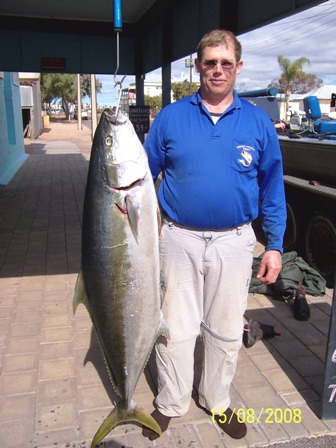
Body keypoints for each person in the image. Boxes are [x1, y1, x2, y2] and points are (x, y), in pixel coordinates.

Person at [142, 29, 287, 441]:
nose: (218, 70)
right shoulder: (171, 117)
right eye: (210, 62)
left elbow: (272, 188)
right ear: (198, 65)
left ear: (238, 67)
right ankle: (171, 401)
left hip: (235, 242)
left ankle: (217, 400)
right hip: (178, 240)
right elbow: (139, 176)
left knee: (224, 328)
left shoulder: (258, 122)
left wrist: (274, 245)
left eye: (226, 63)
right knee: (175, 328)